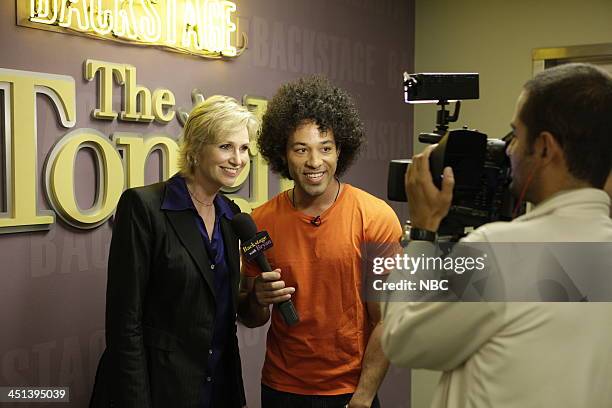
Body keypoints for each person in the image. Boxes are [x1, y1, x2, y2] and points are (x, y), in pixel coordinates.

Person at [382, 63, 612, 407]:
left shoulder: (501, 252)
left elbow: (401, 339)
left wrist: (422, 233)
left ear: (546, 148)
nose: (507, 149)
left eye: (516, 135)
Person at [237, 76, 402, 407]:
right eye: (301, 149)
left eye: (325, 148)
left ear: (340, 150)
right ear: (284, 154)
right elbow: (252, 317)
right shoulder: (260, 222)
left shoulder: (376, 218)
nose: (315, 162)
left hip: (350, 392)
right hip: (281, 389)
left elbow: (387, 320)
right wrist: (256, 297)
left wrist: (364, 396)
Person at [89, 95, 258, 408]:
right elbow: (126, 323)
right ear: (195, 148)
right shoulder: (144, 207)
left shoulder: (231, 215)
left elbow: (221, 314)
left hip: (219, 389)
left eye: (244, 148)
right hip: (158, 390)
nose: (238, 158)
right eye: (225, 146)